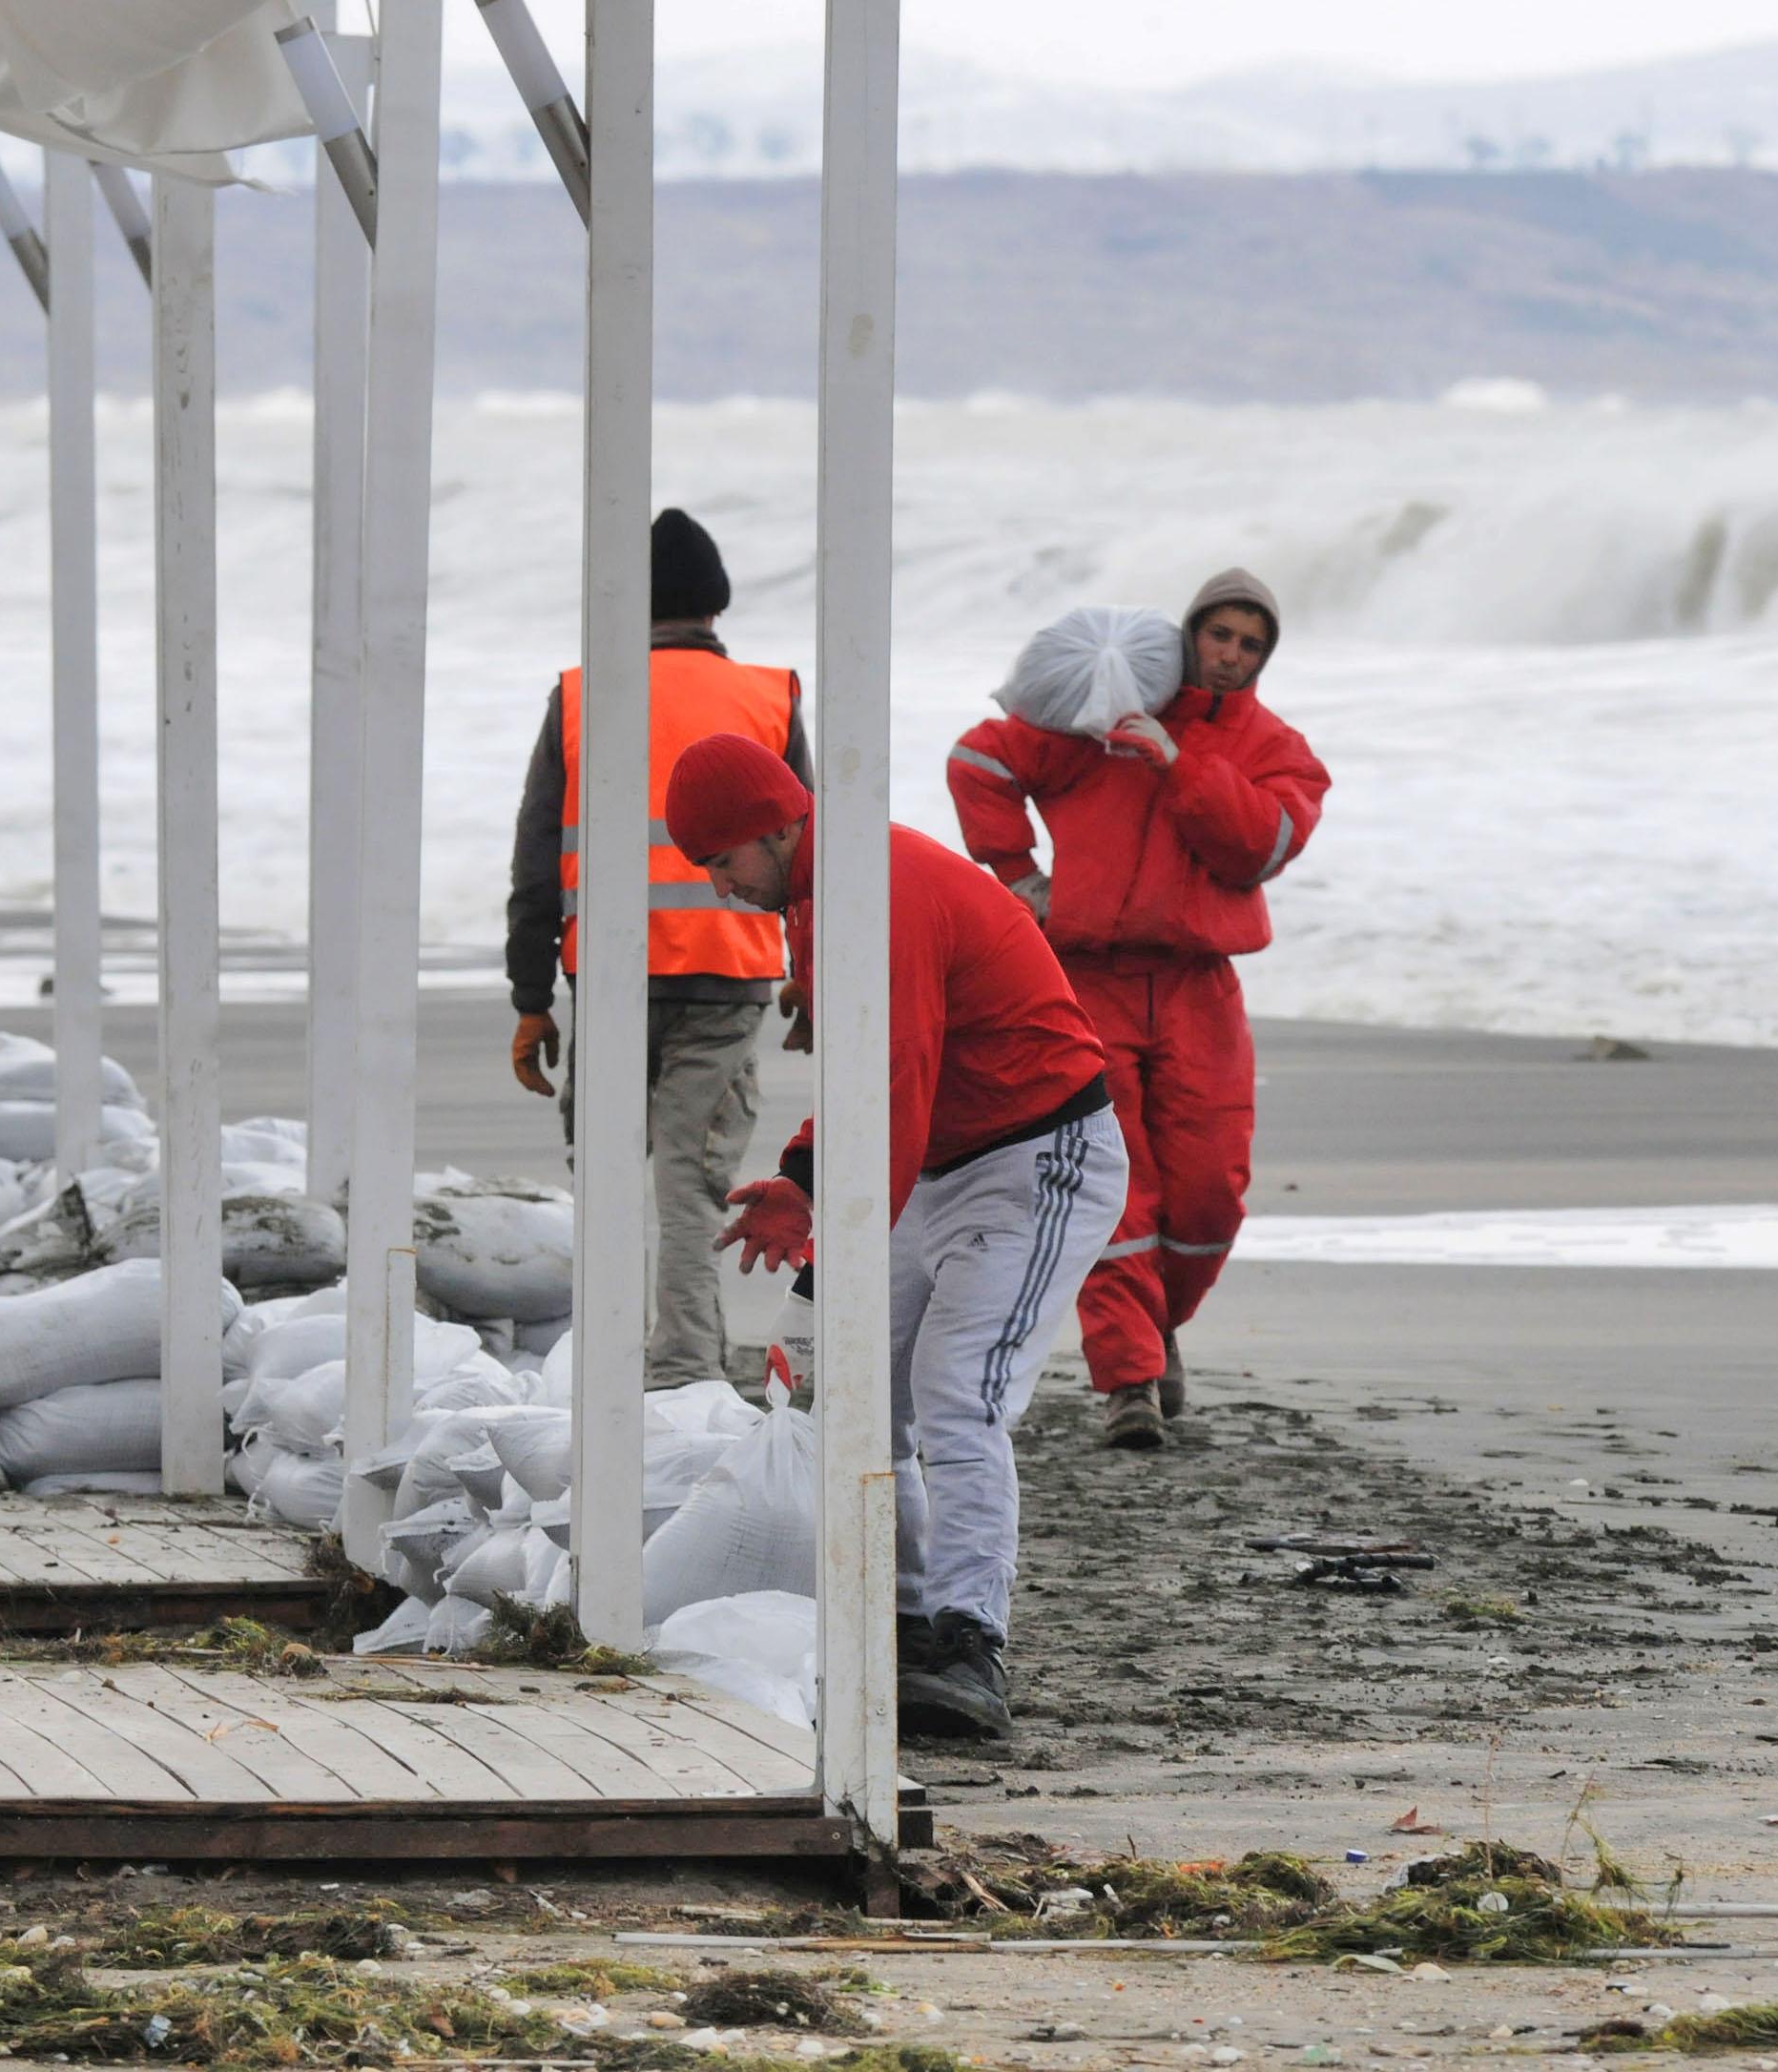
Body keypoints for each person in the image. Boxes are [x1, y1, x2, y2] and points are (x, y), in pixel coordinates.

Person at [675, 731, 1127, 1741]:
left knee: (959, 1391)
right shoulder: (812, 893)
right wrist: (801, 1179)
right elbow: (864, 1067)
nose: (718, 885)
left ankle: (972, 1641)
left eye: (722, 861)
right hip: (935, 1161)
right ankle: (908, 1619)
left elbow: (898, 1074)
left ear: (775, 825)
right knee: (854, 1390)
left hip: (1035, 1159)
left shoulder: (873, 889)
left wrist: (833, 1238)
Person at [945, 569, 1330, 1451]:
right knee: (1112, 1185)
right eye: (1219, 635)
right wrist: (1017, 879)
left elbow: (1260, 848)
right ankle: (1127, 1383)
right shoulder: (1098, 720)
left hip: (1202, 987)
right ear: (1190, 633)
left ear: (1266, 656)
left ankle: (1155, 1333)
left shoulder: (1275, 745)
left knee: (1210, 1195)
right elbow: (979, 761)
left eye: (1251, 642)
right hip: (1084, 982)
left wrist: (1180, 763)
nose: (1230, 655)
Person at [504, 508, 814, 1386]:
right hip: (729, 969)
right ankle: (683, 1365)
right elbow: (807, 845)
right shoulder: (771, 692)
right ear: (716, 604)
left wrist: (530, 1000)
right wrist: (813, 973)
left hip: (606, 974)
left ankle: (602, 1357)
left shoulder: (581, 691)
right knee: (690, 1182)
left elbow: (535, 857)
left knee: (603, 1171)